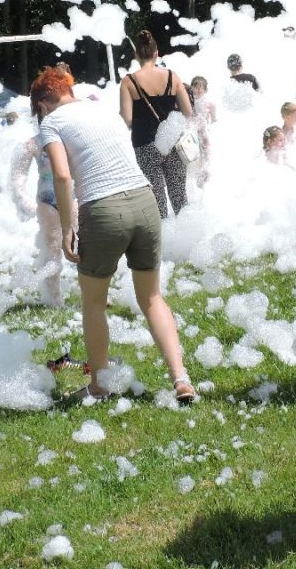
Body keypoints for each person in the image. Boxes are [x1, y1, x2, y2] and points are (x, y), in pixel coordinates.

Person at [32, 65, 196, 403]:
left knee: (93, 304)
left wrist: (68, 227)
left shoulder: (52, 123)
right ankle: (181, 380)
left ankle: (99, 386)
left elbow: (61, 176)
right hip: (144, 201)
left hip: (102, 209)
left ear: (43, 103)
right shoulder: (102, 108)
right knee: (152, 298)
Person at [119, 30, 193, 219]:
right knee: (180, 198)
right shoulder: (172, 77)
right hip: (173, 142)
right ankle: (187, 236)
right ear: (156, 53)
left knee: (156, 201)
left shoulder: (128, 82)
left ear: (136, 55)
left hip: (144, 145)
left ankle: (162, 237)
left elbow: (127, 118)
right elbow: (187, 112)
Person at [10, 114, 76, 308]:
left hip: (66, 196)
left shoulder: (66, 137)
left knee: (79, 244)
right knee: (54, 248)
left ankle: (90, 292)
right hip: (52, 198)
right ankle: (55, 299)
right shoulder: (36, 143)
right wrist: (21, 197)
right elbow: (17, 176)